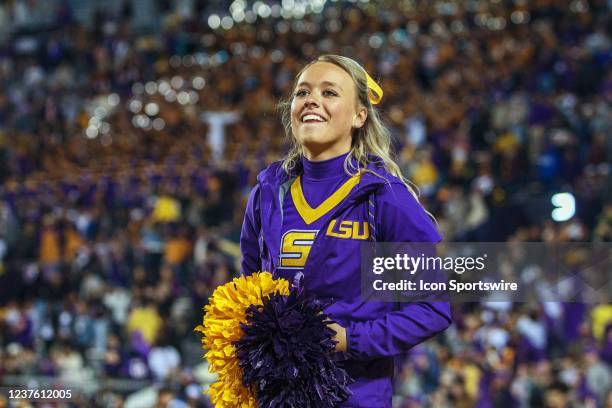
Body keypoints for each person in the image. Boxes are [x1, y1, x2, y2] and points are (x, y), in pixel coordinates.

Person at [239, 54, 451, 407]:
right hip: (277, 396)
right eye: (302, 92)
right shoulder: (267, 193)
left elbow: (432, 309)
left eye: (330, 93)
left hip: (355, 395)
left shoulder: (384, 196)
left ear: (359, 116)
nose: (312, 100)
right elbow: (247, 293)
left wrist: (350, 339)